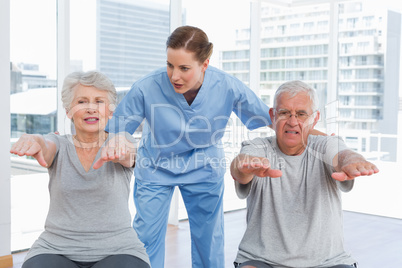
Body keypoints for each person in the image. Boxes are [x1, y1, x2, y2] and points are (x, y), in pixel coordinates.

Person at [230, 80, 379, 268]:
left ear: (315, 118)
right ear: (272, 115)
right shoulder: (258, 147)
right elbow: (240, 167)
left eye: (301, 114)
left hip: (328, 261)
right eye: (284, 113)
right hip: (261, 259)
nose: (292, 121)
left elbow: (343, 154)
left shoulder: (325, 145)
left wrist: (351, 160)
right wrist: (243, 166)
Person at [10, 71, 150, 268]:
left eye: (99, 101)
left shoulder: (121, 141)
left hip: (118, 248)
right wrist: (37, 141)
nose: (91, 108)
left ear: (110, 111)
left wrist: (122, 147)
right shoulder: (58, 143)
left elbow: (128, 153)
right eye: (82, 102)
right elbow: (47, 146)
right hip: (56, 247)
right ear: (68, 111)